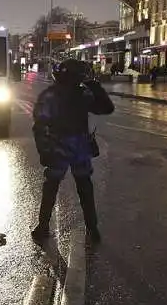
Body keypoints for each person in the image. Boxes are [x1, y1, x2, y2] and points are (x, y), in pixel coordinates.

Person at [31, 58, 115, 243]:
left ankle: (43, 226)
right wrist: (94, 86)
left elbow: (39, 126)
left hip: (57, 147)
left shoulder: (50, 95)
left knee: (51, 187)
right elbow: (106, 108)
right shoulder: (83, 94)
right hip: (79, 148)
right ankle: (92, 228)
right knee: (85, 187)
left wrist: (43, 151)